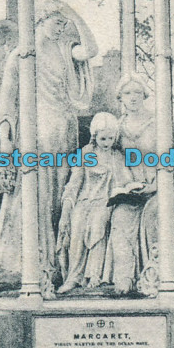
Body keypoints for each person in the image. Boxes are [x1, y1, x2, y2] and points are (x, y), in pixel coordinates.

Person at [0, 0, 97, 289]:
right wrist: (5, 139)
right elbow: (6, 101)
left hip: (65, 129)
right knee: (36, 195)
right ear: (41, 20)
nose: (61, 29)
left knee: (62, 195)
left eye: (63, 24)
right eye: (57, 23)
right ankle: (31, 265)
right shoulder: (20, 54)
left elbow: (91, 50)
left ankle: (60, 266)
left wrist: (73, 12)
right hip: (37, 133)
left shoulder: (63, 49)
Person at [102, 73, 174, 294]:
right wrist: (129, 186)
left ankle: (157, 275)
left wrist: (155, 186)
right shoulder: (117, 128)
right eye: (127, 93)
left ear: (144, 95)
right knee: (120, 216)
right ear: (120, 97)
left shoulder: (157, 124)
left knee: (155, 213)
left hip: (163, 185)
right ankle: (125, 277)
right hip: (134, 189)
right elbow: (116, 162)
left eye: (137, 93)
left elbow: (167, 161)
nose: (132, 98)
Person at [56, 112, 140, 294]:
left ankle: (94, 275)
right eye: (103, 138)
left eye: (111, 138)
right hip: (84, 201)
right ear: (94, 136)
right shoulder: (85, 154)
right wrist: (67, 208)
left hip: (106, 202)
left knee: (98, 222)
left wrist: (130, 188)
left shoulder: (117, 156)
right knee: (77, 224)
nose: (107, 142)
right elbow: (74, 183)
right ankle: (73, 277)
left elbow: (126, 180)